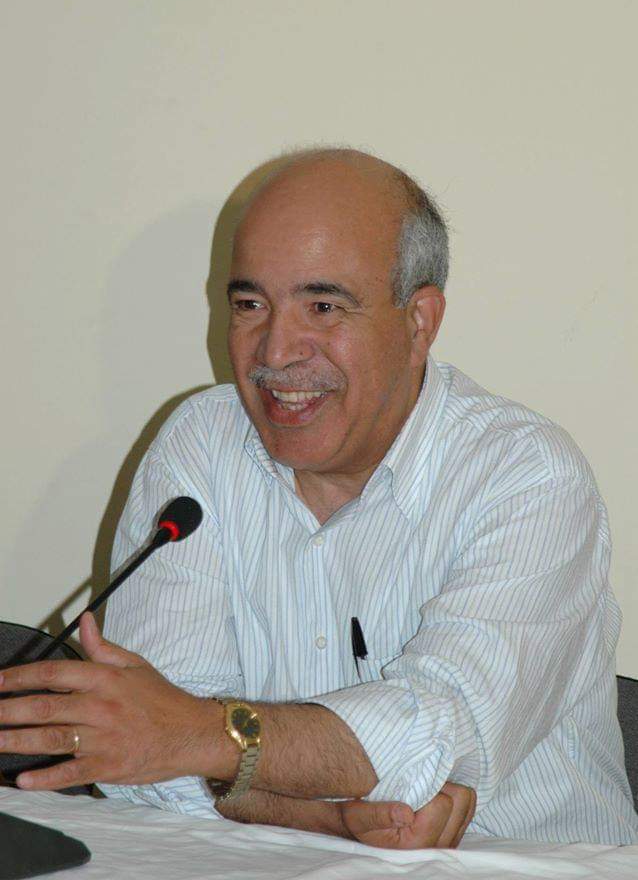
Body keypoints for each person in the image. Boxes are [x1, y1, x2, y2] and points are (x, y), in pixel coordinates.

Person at [0, 149, 636, 849]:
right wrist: (326, 816)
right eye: (251, 305)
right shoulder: (201, 444)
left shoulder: (526, 474)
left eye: (324, 306)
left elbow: (438, 736)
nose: (276, 350)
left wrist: (204, 736)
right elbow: (139, 764)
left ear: (419, 322)